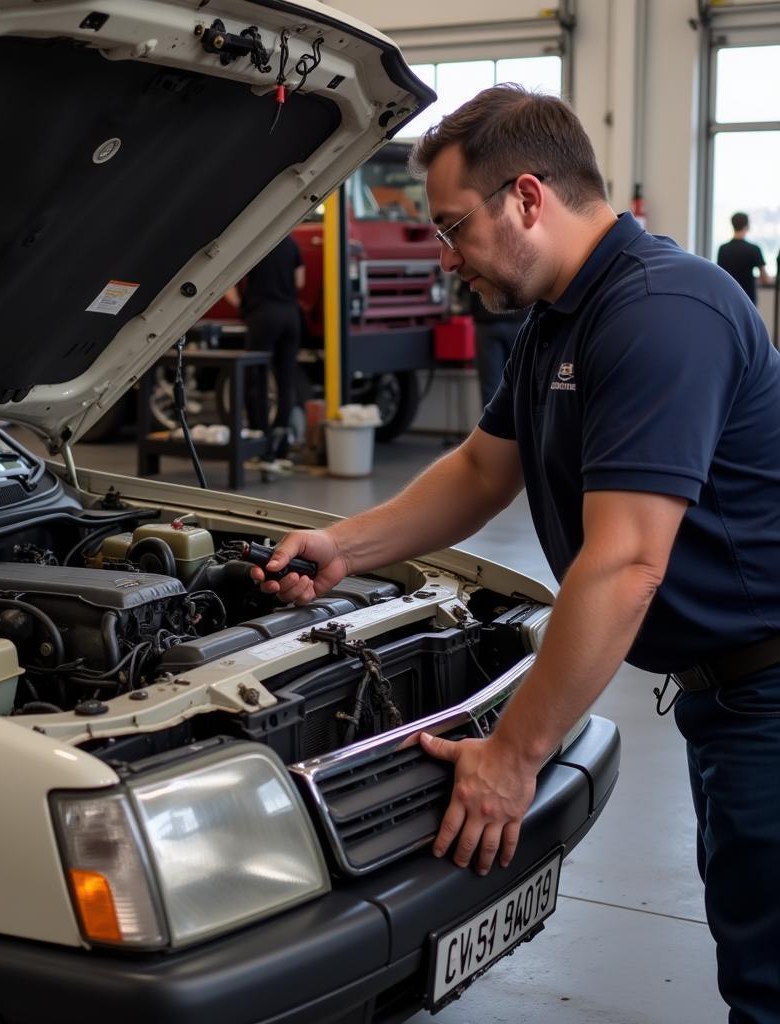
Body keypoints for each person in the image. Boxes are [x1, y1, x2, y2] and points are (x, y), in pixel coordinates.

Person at [253, 85, 780, 1023]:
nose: (449, 259)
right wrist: (342, 544)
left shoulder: (662, 312)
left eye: (454, 228)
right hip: (726, 692)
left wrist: (514, 754)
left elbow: (625, 567)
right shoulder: (562, 317)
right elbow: (479, 472)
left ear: (528, 197)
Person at [225, 235, 305, 470]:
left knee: (257, 380)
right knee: (286, 380)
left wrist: (240, 304)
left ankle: (260, 447)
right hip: (291, 316)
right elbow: (300, 280)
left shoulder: (255, 243)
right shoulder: (292, 243)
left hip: (263, 315)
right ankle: (281, 449)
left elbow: (227, 281)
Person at [464, 281, 529, 408]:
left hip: (487, 321)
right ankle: (522, 426)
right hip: (519, 320)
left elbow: (465, 282)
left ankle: (493, 427)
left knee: (491, 388)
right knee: (522, 384)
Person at [716, 211, 773, 306]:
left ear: (732, 225)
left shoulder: (723, 249)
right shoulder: (754, 249)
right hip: (748, 299)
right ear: (747, 226)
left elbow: (720, 275)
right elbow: (765, 279)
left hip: (728, 298)